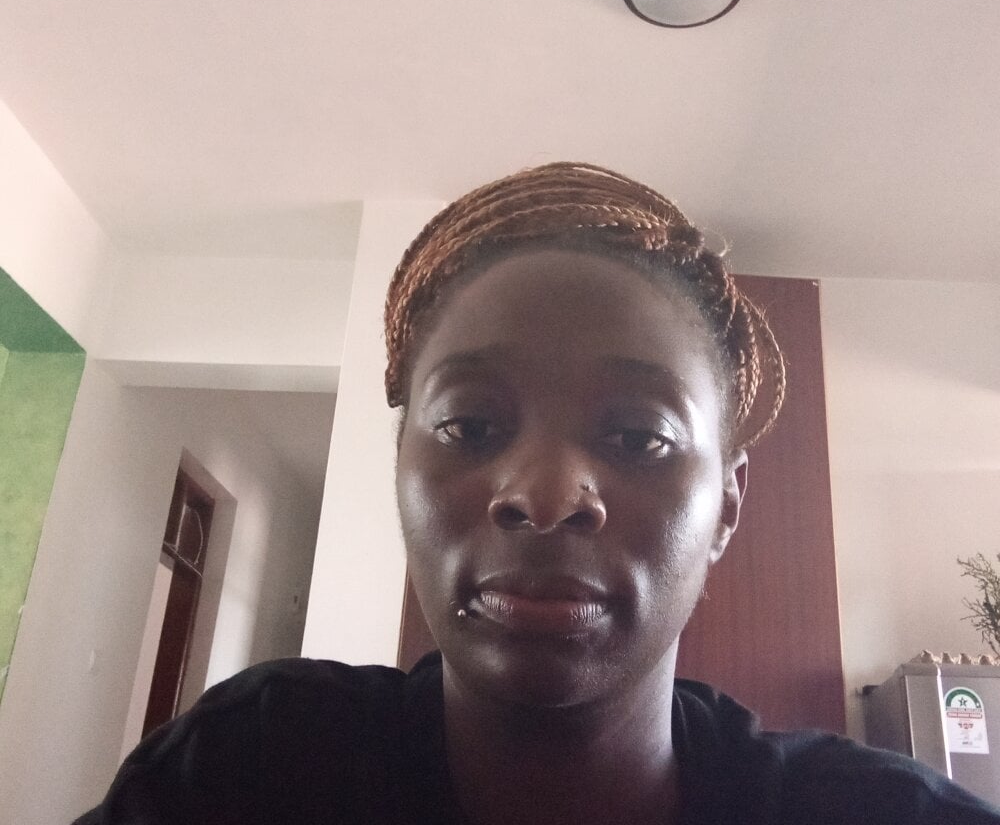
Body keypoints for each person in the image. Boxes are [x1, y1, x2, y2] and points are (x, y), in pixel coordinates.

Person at [75, 162, 999, 824]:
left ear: (726, 505)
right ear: (401, 462)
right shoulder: (252, 769)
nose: (546, 495)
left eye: (640, 437)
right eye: (468, 426)